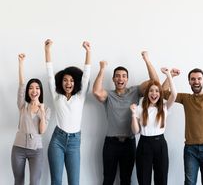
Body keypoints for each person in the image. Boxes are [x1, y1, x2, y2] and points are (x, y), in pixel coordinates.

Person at [93, 51, 159, 185]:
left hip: (129, 143)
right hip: (111, 143)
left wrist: (147, 60)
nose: (120, 79)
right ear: (113, 79)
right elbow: (96, 92)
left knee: (126, 180)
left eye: (123, 76)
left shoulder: (135, 91)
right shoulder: (108, 95)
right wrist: (102, 69)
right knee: (108, 179)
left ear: (127, 79)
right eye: (117, 76)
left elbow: (155, 81)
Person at [44, 39, 91, 185]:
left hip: (74, 142)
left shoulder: (80, 97)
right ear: (61, 82)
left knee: (74, 182)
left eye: (71, 80)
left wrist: (88, 52)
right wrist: (47, 51)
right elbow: (50, 76)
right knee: (56, 181)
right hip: (57, 140)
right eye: (65, 80)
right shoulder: (56, 96)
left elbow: (86, 76)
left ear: (75, 83)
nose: (68, 83)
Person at [130, 67, 177, 185]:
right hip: (144, 144)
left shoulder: (164, 108)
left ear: (160, 94)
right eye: (151, 91)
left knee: (161, 179)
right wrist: (132, 115)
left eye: (157, 91)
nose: (154, 93)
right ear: (147, 93)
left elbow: (174, 95)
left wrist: (168, 75)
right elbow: (135, 131)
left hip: (160, 144)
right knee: (143, 178)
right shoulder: (140, 109)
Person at [11, 53, 50, 185]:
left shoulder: (46, 110)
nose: (34, 91)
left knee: (35, 182)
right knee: (18, 181)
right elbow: (21, 84)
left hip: (36, 150)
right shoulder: (22, 106)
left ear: (40, 91)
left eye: (37, 88)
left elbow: (42, 131)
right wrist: (21, 63)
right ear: (28, 91)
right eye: (31, 88)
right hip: (18, 148)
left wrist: (42, 111)